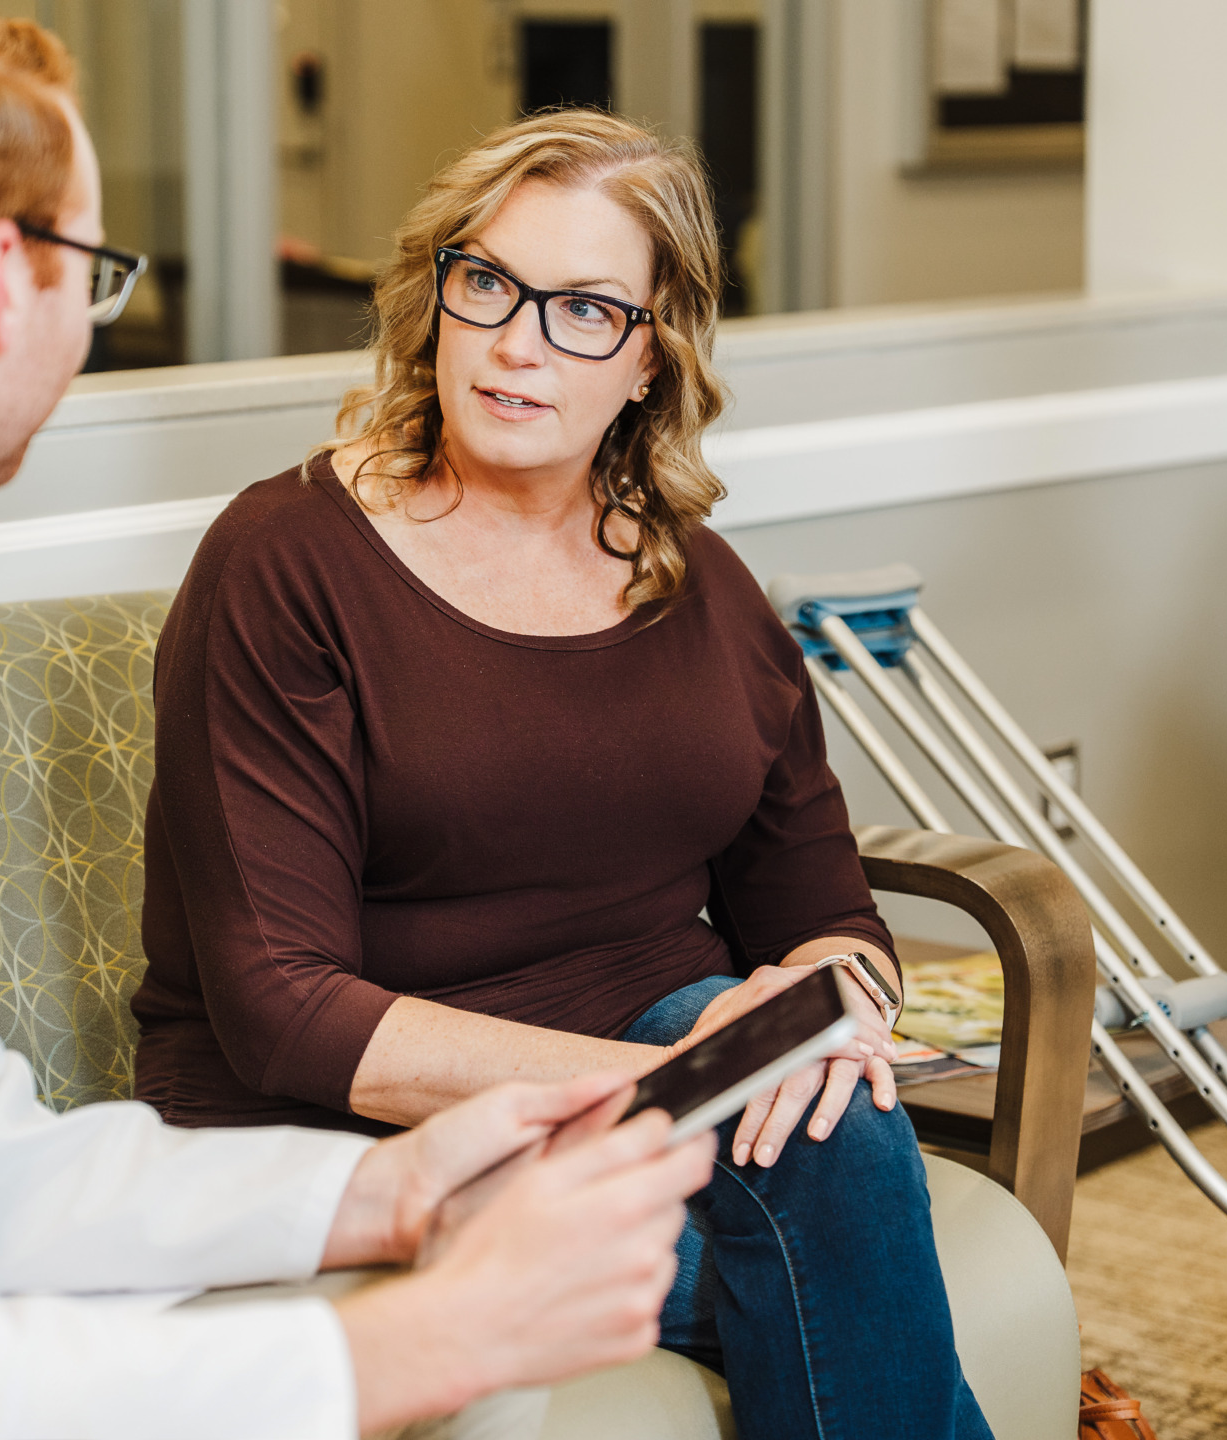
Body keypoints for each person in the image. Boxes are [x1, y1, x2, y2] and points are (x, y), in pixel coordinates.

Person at [0, 5, 716, 1437]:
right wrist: (421, 1345)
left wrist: (379, 1189)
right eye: (95, 268)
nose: (98, 318)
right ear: (7, 284)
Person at [131, 110, 992, 1439]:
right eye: (490, 283)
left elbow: (820, 901)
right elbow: (282, 1011)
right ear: (439, 296)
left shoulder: (703, 583)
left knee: (840, 1127)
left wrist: (838, 1001)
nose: (518, 342)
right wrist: (650, 1081)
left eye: (586, 308)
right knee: (848, 1233)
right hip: (369, 1134)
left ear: (655, 355)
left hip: (646, 1096)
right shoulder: (285, 563)